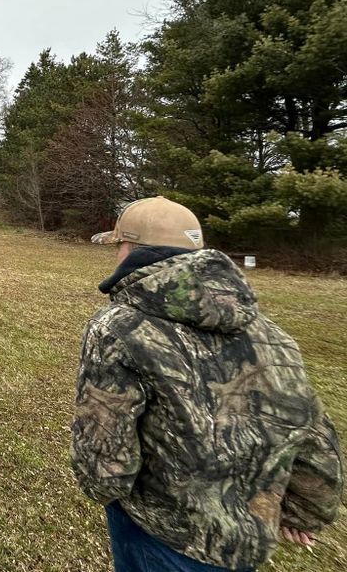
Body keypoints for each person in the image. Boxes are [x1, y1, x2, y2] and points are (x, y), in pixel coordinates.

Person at [71, 196, 343, 572]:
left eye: (118, 246)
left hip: (162, 535)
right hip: (246, 543)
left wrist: (102, 489)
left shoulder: (118, 329)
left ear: (132, 250)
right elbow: (311, 431)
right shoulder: (271, 334)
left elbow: (105, 464)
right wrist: (305, 511)